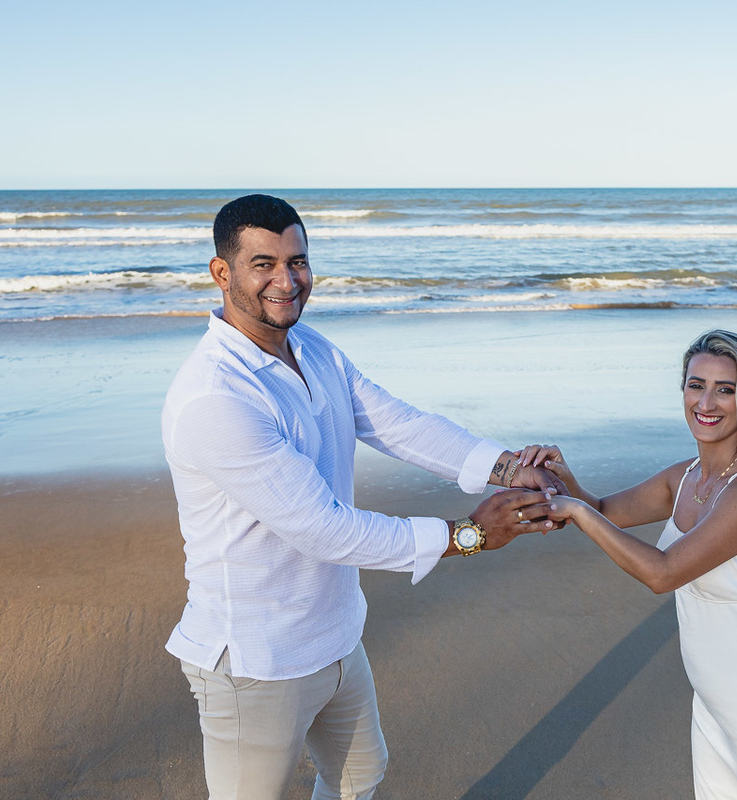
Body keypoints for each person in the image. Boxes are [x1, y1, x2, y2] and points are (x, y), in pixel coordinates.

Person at [161, 194, 562, 800]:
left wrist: (504, 466)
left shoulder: (314, 349)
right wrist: (468, 536)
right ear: (223, 274)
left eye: (297, 261)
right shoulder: (216, 397)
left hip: (336, 633)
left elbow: (396, 423)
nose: (286, 280)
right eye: (263, 264)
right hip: (257, 660)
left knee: (357, 779)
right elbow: (323, 529)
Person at [523, 330, 737, 799]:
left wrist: (576, 512)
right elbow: (604, 510)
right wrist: (566, 480)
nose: (706, 402)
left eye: (725, 389)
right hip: (715, 708)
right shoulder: (685, 477)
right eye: (696, 385)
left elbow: (663, 573)